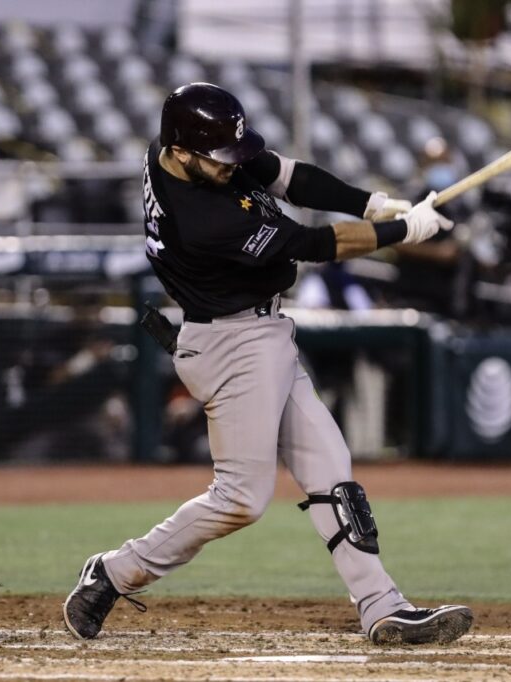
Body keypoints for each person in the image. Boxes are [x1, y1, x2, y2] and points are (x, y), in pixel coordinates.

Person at [63, 82, 472, 645]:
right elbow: (315, 244)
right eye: (218, 158)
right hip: (233, 346)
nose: (233, 165)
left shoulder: (183, 155)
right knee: (241, 499)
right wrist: (405, 231)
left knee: (331, 468)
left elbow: (284, 172)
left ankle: (381, 606)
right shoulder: (203, 218)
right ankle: (112, 573)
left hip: (261, 333)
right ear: (180, 152)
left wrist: (369, 202)